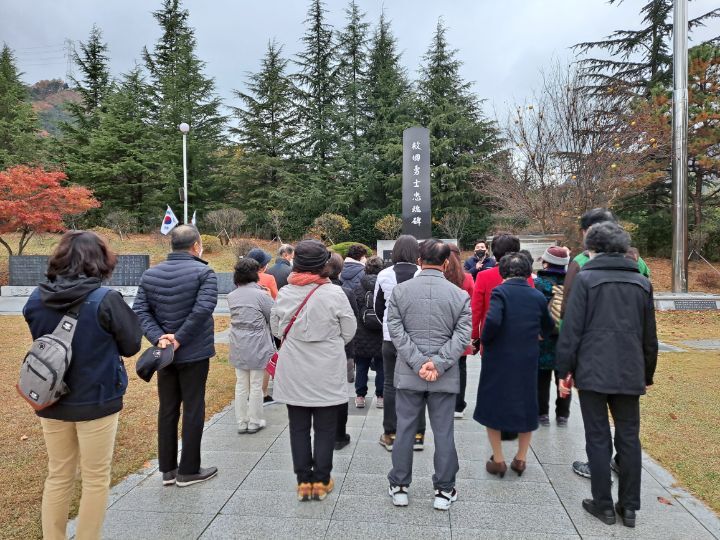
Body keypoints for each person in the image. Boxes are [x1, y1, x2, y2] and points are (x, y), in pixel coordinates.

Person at [23, 231, 142, 540]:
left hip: (50, 396)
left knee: (58, 474)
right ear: (101, 261)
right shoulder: (106, 299)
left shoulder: (36, 299)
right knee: (95, 477)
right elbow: (131, 345)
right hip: (97, 399)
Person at [556, 222, 658, 528]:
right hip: (630, 370)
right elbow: (649, 336)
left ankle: (602, 504)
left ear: (593, 249)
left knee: (598, 437)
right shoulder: (641, 283)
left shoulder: (586, 279)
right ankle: (629, 507)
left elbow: (571, 330)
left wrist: (564, 370)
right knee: (629, 437)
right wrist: (647, 373)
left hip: (592, 369)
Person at [386, 239, 471, 511]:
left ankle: (400, 486)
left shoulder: (400, 291)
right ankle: (444, 490)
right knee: (444, 432)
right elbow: (463, 335)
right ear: (446, 263)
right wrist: (438, 363)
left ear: (419, 261)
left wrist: (418, 361)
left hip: (409, 372)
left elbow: (395, 329)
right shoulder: (459, 295)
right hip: (443, 375)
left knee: (405, 430)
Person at [270, 240, 356, 502]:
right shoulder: (334, 293)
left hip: (294, 366)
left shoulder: (285, 292)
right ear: (323, 265)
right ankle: (321, 479)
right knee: (325, 426)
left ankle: (303, 482)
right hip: (326, 367)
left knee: (298, 426)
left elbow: (276, 328)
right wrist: (330, 342)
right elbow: (349, 330)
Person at [134, 225, 219, 487]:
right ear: (196, 246)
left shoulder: (150, 274)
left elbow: (140, 310)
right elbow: (203, 309)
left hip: (165, 354)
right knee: (193, 407)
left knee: (168, 408)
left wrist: (160, 338)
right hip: (193, 351)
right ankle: (189, 470)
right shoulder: (204, 272)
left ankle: (168, 469)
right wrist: (178, 338)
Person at [473, 253, 555, 479]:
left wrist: (486, 339)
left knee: (493, 404)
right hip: (527, 357)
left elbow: (492, 321)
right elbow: (549, 324)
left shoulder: (500, 292)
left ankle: (498, 460)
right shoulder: (537, 295)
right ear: (528, 272)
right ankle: (521, 458)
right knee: (526, 403)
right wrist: (539, 335)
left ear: (503, 272)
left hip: (500, 358)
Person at [471, 233, 534, 441]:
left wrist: (475, 337)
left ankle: (497, 421)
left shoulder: (484, 276)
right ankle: (513, 423)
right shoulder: (527, 278)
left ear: (494, 253)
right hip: (520, 340)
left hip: (492, 339)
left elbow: (476, 310)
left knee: (494, 382)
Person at [373, 235, 427, 451]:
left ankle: (391, 434)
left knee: (390, 384)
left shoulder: (384, 274)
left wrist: (387, 326)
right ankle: (417, 435)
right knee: (417, 384)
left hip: (391, 339)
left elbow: (378, 307)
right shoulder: (423, 274)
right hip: (417, 339)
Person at [227, 257, 275, 435]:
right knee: (255, 384)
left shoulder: (232, 296)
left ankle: (241, 422)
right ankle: (255, 421)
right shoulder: (261, 295)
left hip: (238, 343)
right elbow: (273, 316)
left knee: (241, 384)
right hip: (258, 343)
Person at [534, 246, 571, 427]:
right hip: (567, 337)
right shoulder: (573, 282)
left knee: (541, 376)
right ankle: (562, 414)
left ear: (546, 262)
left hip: (543, 336)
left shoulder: (539, 283)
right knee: (563, 375)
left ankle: (542, 414)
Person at [326, 252, 359, 451]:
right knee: (339, 392)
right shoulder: (346, 293)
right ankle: (338, 435)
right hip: (342, 349)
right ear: (340, 270)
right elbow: (353, 321)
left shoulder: (312, 291)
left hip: (317, 350)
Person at [444, 243, 474, 419]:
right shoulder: (467, 278)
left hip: (441, 328)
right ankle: (458, 405)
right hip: (461, 328)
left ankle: (443, 403)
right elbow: (472, 306)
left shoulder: (439, 276)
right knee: (461, 366)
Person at [246, 248, 279, 405]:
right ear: (263, 266)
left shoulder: (240, 278)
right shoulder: (268, 278)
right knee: (266, 358)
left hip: (244, 323)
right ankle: (263, 393)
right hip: (264, 323)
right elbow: (276, 299)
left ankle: (249, 393)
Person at [352, 255, 385, 409]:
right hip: (380, 333)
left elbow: (354, 311)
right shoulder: (384, 287)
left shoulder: (357, 288)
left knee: (361, 366)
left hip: (361, 335)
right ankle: (381, 397)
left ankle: (360, 396)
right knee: (381, 367)